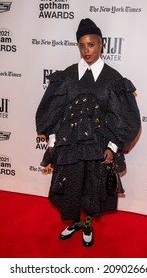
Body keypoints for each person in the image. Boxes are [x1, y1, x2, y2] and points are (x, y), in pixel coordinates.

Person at [35, 18, 141, 247]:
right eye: (82, 45)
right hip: (70, 147)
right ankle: (74, 221)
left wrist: (112, 146)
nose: (86, 50)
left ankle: (88, 223)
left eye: (91, 44)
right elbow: (53, 110)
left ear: (101, 44)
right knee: (71, 186)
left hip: (97, 148)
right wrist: (53, 142)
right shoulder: (67, 75)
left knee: (92, 186)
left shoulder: (113, 79)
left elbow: (125, 117)